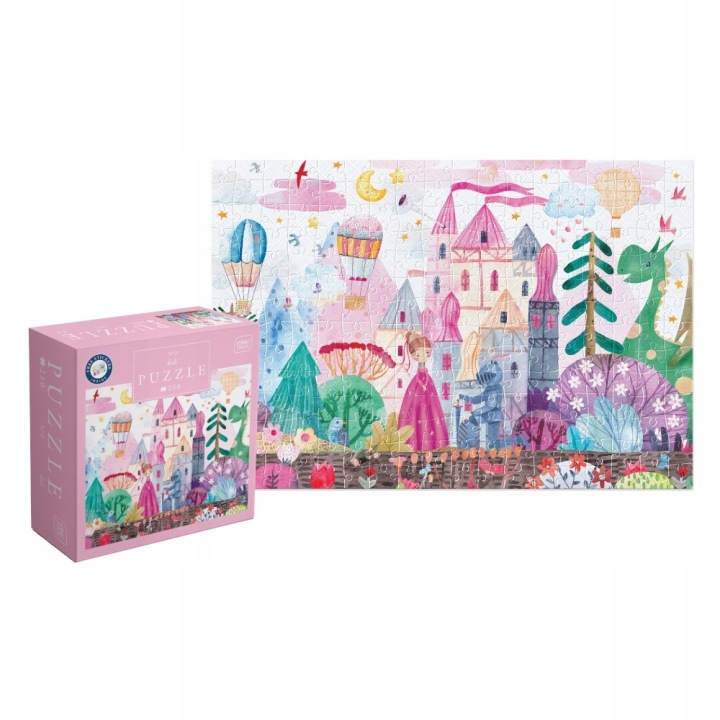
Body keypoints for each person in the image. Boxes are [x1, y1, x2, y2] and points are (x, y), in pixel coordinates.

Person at [398, 331, 449, 451]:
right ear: (412, 354)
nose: (423, 356)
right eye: (418, 353)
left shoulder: (428, 377)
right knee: (414, 414)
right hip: (417, 391)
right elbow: (419, 377)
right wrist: (423, 385)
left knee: (432, 412)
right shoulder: (416, 378)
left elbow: (424, 376)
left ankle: (431, 445)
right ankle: (415, 444)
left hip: (427, 389)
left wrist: (425, 385)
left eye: (427, 353)